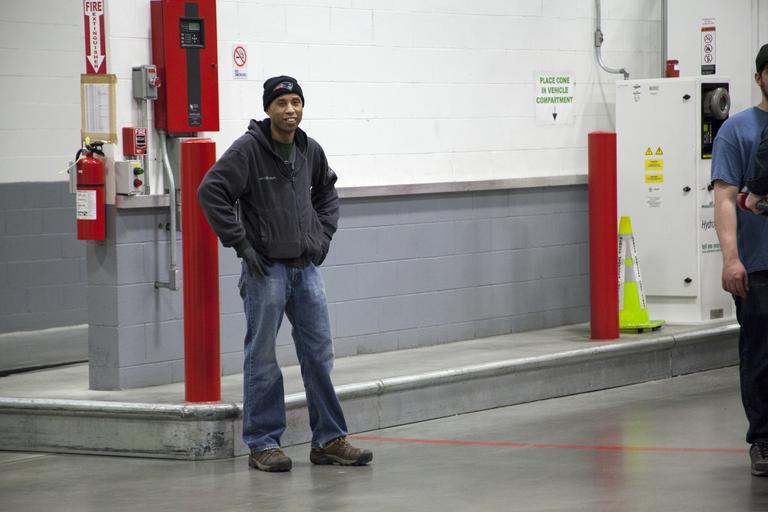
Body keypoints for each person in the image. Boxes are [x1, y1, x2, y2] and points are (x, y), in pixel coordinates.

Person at [197, 75, 372, 472]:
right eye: (281, 103)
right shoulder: (248, 150)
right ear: (268, 109)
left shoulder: (310, 150)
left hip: (306, 268)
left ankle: (329, 440)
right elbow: (210, 191)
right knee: (262, 357)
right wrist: (242, 244)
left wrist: (323, 235)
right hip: (266, 271)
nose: (290, 110)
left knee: (319, 355)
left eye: (296, 102)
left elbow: (326, 192)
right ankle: (263, 443)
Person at [713, 44, 768, 477]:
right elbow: (726, 198)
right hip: (758, 264)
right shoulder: (737, 130)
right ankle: (764, 440)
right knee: (761, 355)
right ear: (758, 77)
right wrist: (731, 258)